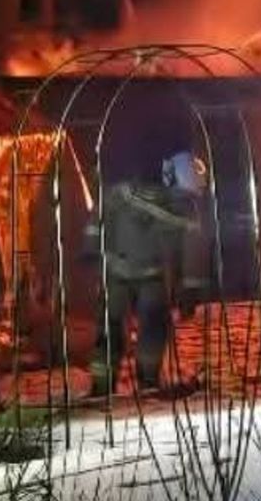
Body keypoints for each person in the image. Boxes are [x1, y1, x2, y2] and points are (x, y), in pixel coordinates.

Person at [81, 151, 211, 396]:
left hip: (120, 272)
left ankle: (104, 385)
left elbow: (96, 220)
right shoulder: (182, 208)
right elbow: (193, 249)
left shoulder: (120, 194)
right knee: (148, 327)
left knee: (113, 328)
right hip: (145, 275)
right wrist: (191, 288)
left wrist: (92, 252)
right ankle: (146, 381)